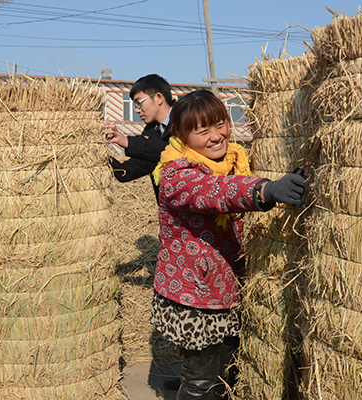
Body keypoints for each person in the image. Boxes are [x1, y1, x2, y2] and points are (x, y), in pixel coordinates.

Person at [150, 90, 308, 399]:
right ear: (182, 135)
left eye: (220, 124)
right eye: (202, 130)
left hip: (223, 288)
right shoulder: (176, 175)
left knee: (225, 373)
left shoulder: (234, 160)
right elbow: (215, 191)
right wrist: (266, 190)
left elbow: (231, 182)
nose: (216, 136)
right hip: (193, 295)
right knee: (201, 382)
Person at [105, 73, 175, 202]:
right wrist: (98, 155)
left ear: (159, 98)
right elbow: (126, 172)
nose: (137, 110)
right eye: (135, 105)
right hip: (169, 211)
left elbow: (173, 151)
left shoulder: (187, 118)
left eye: (139, 103)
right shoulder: (151, 131)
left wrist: (127, 141)